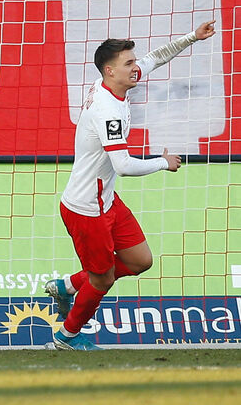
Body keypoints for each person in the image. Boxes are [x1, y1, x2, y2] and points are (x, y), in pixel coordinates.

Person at [44, 21, 216, 351]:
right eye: (128, 63)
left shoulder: (110, 83)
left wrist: (192, 36)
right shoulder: (107, 110)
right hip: (86, 209)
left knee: (140, 260)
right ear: (110, 71)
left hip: (106, 199)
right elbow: (122, 166)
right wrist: (162, 162)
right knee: (103, 279)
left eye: (134, 61)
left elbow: (156, 57)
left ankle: (68, 286)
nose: (136, 67)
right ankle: (66, 337)